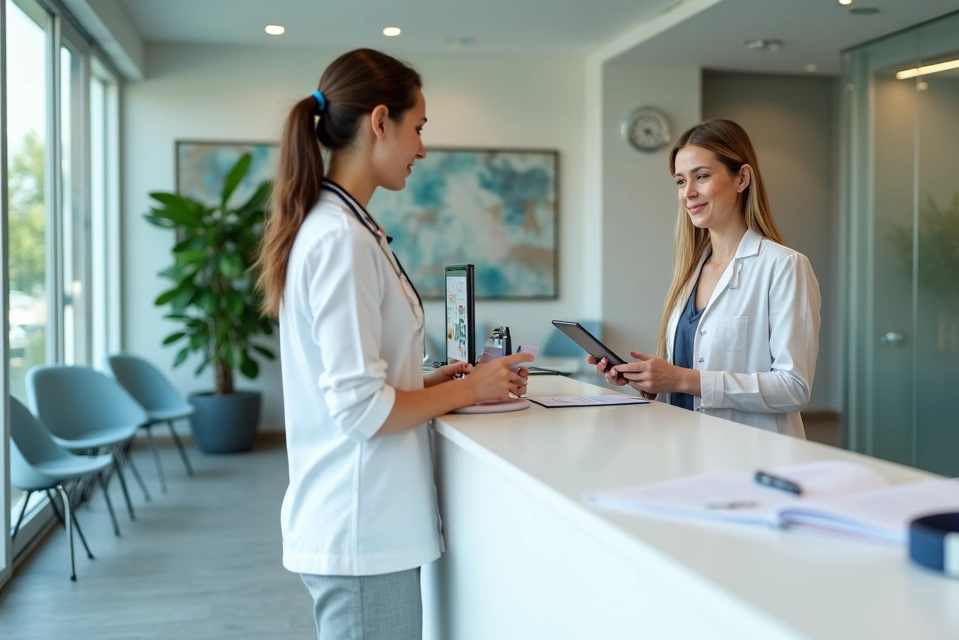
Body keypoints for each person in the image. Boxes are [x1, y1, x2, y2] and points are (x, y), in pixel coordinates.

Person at [254, 48, 532, 640]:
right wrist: (472, 389)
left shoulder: (345, 228)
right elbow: (360, 411)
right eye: (419, 128)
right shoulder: (341, 239)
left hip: (367, 523)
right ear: (381, 121)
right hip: (361, 527)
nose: (422, 149)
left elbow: (356, 384)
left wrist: (427, 383)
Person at [591, 119, 820, 438]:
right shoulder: (691, 272)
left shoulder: (784, 266)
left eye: (701, 176)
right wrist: (653, 383)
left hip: (750, 452)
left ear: (742, 178)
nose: (688, 193)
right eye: (680, 181)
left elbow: (793, 387)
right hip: (684, 446)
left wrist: (681, 379)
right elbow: (690, 379)